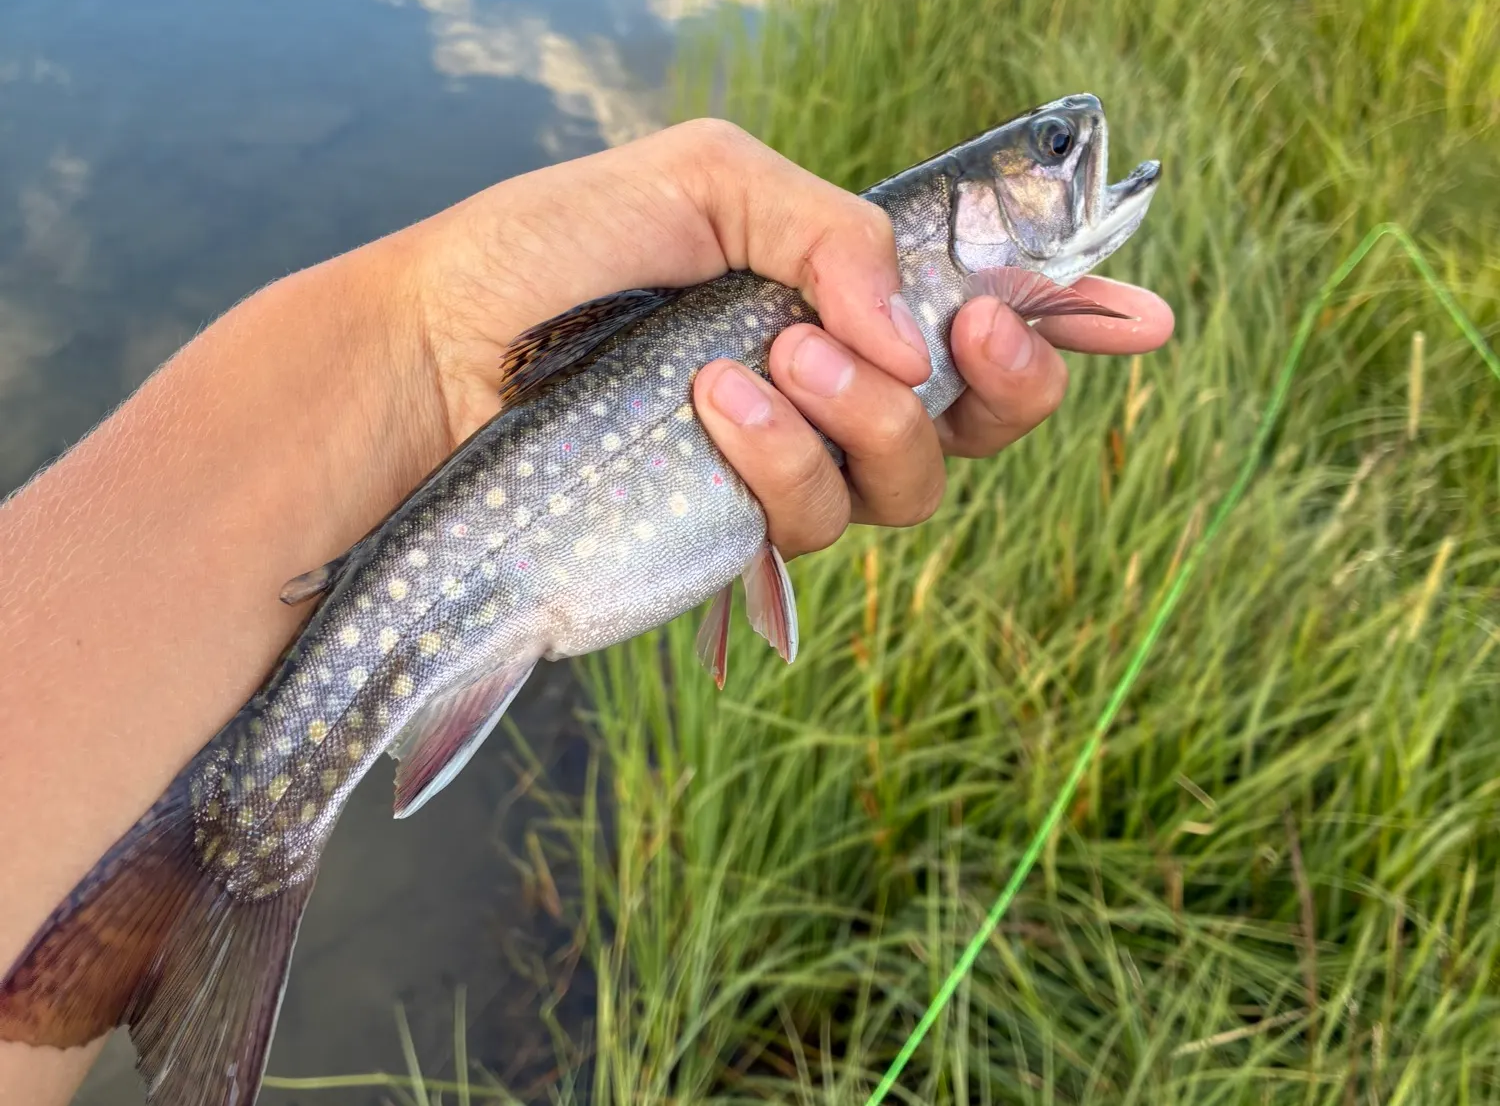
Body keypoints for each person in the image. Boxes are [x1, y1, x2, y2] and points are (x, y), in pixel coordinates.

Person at [0, 119, 1173, 1103]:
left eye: (1053, 147)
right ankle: (237, 850)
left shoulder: (934, 298)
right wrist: (416, 348)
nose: (1067, 156)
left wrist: (411, 350)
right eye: (1047, 151)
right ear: (959, 219)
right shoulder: (882, 278)